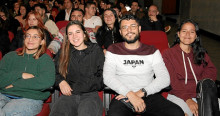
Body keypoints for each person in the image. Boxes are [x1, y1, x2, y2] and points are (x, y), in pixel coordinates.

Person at [103, 14, 185, 116]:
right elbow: (107, 77)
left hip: (148, 94)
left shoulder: (152, 51)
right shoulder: (113, 49)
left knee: (177, 113)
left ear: (139, 29)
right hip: (123, 96)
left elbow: (164, 78)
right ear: (120, 32)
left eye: (133, 26)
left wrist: (140, 93)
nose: (129, 30)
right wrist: (130, 94)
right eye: (125, 27)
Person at [162, 19, 219, 116]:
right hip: (178, 95)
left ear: (196, 36)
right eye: (184, 31)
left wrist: (202, 89)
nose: (188, 34)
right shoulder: (168, 54)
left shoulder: (201, 53)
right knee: (184, 113)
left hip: (201, 94)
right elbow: (173, 81)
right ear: (178, 34)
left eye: (192, 32)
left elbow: (211, 70)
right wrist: (188, 99)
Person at [49, 21, 104, 116]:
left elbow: (103, 75)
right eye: (70, 33)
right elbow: (52, 71)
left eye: (77, 32)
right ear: (67, 37)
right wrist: (60, 81)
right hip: (68, 95)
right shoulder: (63, 52)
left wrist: (85, 85)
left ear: (84, 33)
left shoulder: (95, 50)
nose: (74, 36)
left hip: (90, 95)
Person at [0, 26, 55, 116]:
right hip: (4, 94)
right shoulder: (10, 56)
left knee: (7, 112)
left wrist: (15, 84)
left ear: (42, 41)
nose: (30, 39)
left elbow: (46, 82)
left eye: (35, 37)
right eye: (28, 36)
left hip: (30, 98)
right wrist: (21, 75)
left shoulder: (45, 59)